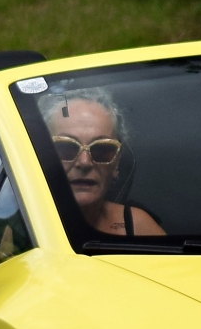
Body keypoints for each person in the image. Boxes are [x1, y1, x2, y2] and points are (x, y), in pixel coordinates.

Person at [39, 87, 164, 236]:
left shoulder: (137, 226)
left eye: (102, 150)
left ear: (116, 163)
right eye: (66, 147)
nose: (84, 162)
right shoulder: (21, 226)